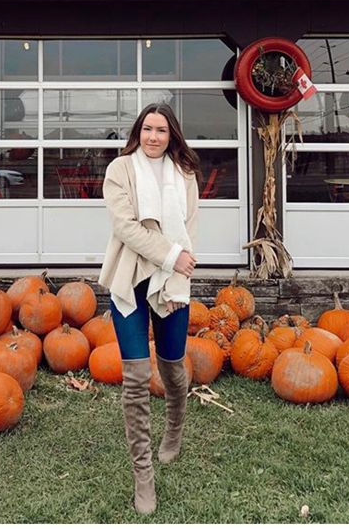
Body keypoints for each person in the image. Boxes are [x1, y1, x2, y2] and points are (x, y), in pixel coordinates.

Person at [98, 102, 199, 515]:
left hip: (171, 283)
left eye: (161, 130)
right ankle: (143, 475)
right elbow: (126, 228)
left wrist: (177, 275)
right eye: (147, 129)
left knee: (173, 368)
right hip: (130, 281)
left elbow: (188, 229)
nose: (153, 137)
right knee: (137, 375)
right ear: (137, 132)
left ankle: (174, 429)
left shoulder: (184, 174)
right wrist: (171, 256)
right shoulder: (119, 170)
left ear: (171, 135)